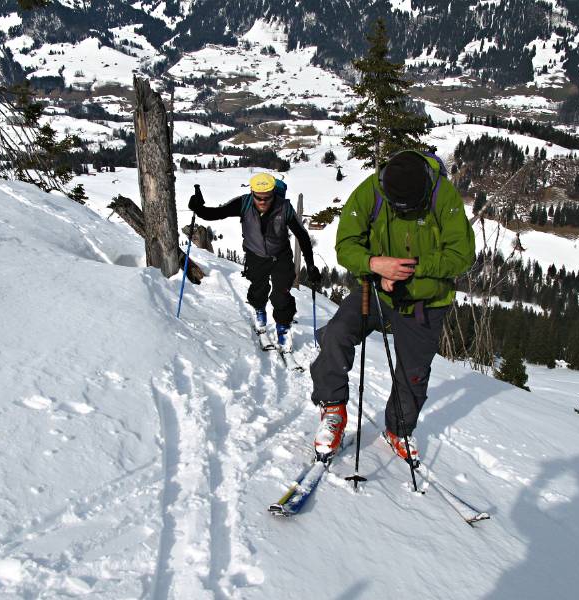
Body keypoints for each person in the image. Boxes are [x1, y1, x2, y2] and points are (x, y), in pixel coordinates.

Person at [309, 150, 476, 462]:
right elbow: (346, 245)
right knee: (336, 334)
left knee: (413, 373)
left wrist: (404, 270)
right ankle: (333, 410)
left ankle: (398, 429)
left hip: (426, 300)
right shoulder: (372, 190)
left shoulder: (443, 195)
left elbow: (462, 256)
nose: (401, 211)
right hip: (376, 290)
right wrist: (374, 265)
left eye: (409, 208)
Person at [188, 173, 321, 351]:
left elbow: (303, 237)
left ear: (274, 193)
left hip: (280, 255)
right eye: (259, 198)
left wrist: (310, 265)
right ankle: (259, 311)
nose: (263, 201)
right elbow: (217, 213)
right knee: (258, 289)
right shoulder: (244, 203)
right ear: (252, 192)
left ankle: (283, 327)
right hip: (255, 255)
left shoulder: (285, 208)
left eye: (267, 198)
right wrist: (198, 208)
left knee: (281, 293)